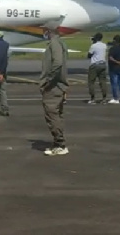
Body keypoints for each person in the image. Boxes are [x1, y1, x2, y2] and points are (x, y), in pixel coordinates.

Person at [39, 27, 70, 156]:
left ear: (49, 32)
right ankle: (58, 143)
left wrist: (48, 81)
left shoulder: (55, 44)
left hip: (54, 87)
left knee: (52, 115)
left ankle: (60, 144)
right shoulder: (61, 44)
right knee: (57, 115)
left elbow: (57, 63)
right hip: (58, 86)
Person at [87, 32, 108, 104]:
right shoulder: (104, 45)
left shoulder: (93, 46)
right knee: (102, 82)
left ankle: (93, 98)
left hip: (95, 65)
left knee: (91, 82)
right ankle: (104, 98)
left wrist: (93, 43)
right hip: (103, 64)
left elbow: (89, 55)